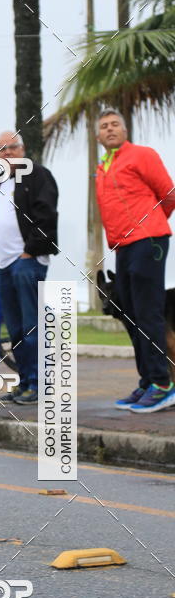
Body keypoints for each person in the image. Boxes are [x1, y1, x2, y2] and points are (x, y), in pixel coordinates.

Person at [96, 108, 175, 413]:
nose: (110, 129)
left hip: (148, 240)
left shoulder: (142, 155)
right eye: (104, 126)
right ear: (98, 136)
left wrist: (149, 225)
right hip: (123, 247)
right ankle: (147, 382)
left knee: (147, 312)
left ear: (125, 130)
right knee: (130, 315)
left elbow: (168, 194)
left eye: (115, 124)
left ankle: (163, 384)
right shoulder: (103, 168)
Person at [0, 131, 59, 405]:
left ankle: (40, 385)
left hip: (27, 263)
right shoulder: (0, 180)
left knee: (32, 327)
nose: (7, 152)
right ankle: (26, 382)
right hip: (3, 265)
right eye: (1, 149)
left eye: (12, 147)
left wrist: (29, 251)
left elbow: (47, 215)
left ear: (23, 149)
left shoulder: (38, 175)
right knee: (16, 331)